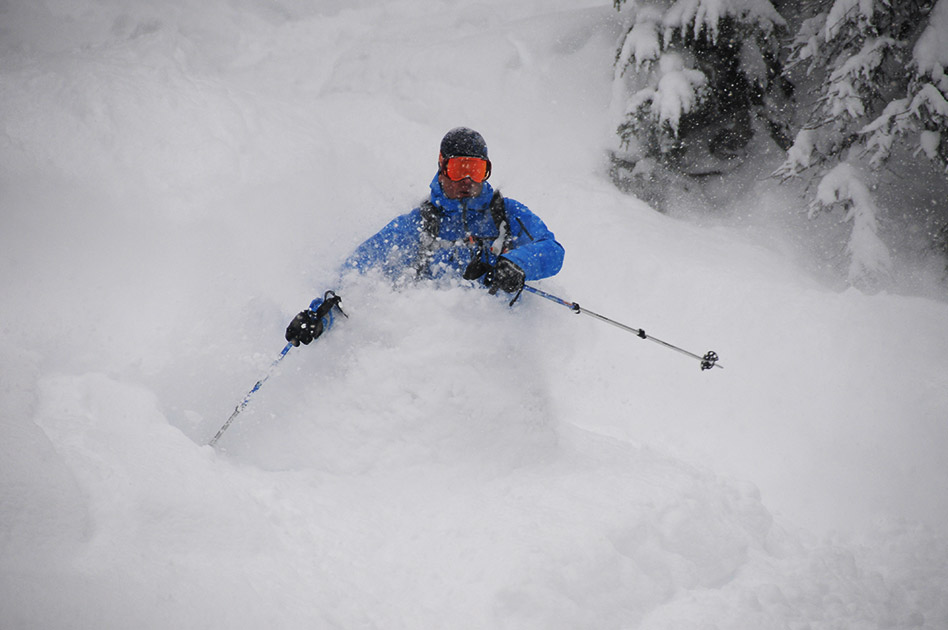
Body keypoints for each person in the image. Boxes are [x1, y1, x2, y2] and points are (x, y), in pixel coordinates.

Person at [285, 127, 565, 347]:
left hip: (497, 345)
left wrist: (517, 264)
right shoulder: (419, 224)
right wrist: (320, 315)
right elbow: (357, 272)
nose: (468, 180)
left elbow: (551, 250)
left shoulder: (505, 213)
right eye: (459, 169)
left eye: (477, 170)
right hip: (431, 348)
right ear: (442, 167)